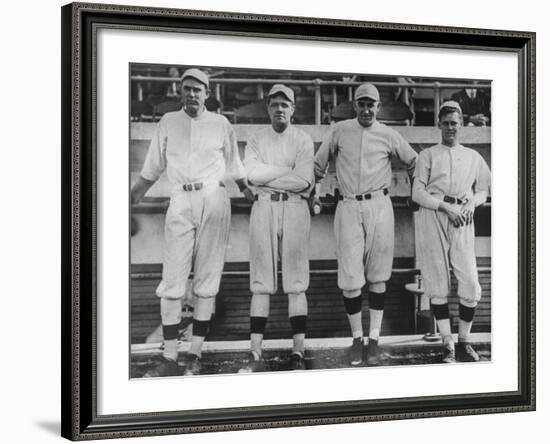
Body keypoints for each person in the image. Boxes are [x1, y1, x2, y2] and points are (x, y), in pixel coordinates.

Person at [131, 68, 253, 377]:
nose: (191, 94)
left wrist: (251, 192)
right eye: (186, 89)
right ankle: (170, 356)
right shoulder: (168, 122)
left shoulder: (221, 124)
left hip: (213, 198)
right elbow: (151, 169)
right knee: (172, 280)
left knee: (207, 280)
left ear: (207, 94)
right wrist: (129, 198)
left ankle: (194, 352)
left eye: (197, 90)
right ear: (180, 92)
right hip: (180, 200)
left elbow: (236, 168)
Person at [314, 83, 417, 366]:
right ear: (354, 105)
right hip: (348, 205)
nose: (367, 109)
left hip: (380, 206)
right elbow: (317, 165)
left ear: (379, 107)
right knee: (350, 277)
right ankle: (357, 339)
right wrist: (314, 194)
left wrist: (415, 193)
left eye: (372, 104)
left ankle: (374, 340)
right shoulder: (339, 130)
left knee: (378, 275)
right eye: (362, 104)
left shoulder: (388, 134)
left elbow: (414, 162)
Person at [240, 84, 315, 372]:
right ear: (267, 108)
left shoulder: (303, 139)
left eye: (285, 104)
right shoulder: (257, 138)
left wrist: (267, 177)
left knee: (296, 281)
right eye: (274, 104)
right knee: (261, 281)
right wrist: (287, 173)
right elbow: (251, 174)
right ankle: (255, 351)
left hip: (295, 207)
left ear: (293, 109)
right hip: (264, 207)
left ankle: (298, 350)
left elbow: (305, 181)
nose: (280, 109)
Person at [412, 100, 491, 363]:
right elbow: (418, 193)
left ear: (461, 125)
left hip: (463, 219)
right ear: (438, 125)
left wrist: (471, 203)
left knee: (469, 281)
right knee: (437, 282)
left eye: (454, 123)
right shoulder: (428, 154)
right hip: (434, 214)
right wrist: (445, 207)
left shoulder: (472, 156)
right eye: (445, 123)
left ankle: (465, 340)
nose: (450, 128)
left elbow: (483, 189)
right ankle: (448, 343)